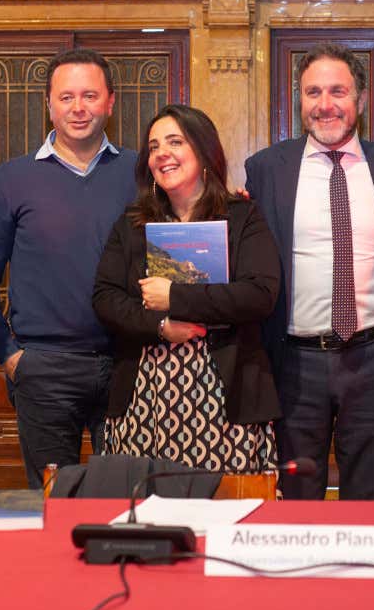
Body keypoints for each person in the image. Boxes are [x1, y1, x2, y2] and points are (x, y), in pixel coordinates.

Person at [244, 44, 374, 500]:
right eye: (312, 92)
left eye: (337, 91)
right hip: (294, 361)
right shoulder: (265, 170)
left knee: (370, 493)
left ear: (361, 98)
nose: (325, 104)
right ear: (298, 101)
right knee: (296, 494)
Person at [93, 104, 281, 470]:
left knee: (224, 512)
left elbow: (260, 295)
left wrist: (174, 298)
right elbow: (105, 299)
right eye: (154, 146)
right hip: (145, 396)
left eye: (175, 142)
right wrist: (161, 326)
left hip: (227, 396)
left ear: (203, 149)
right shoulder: (131, 224)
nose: (162, 153)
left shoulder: (242, 217)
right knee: (150, 516)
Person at [0, 48, 137, 488]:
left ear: (110, 102)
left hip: (128, 365)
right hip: (43, 368)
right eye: (66, 97)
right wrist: (9, 355)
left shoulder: (139, 173)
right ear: (48, 104)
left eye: (90, 95)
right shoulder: (12, 179)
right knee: (53, 502)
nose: (78, 107)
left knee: (125, 499)